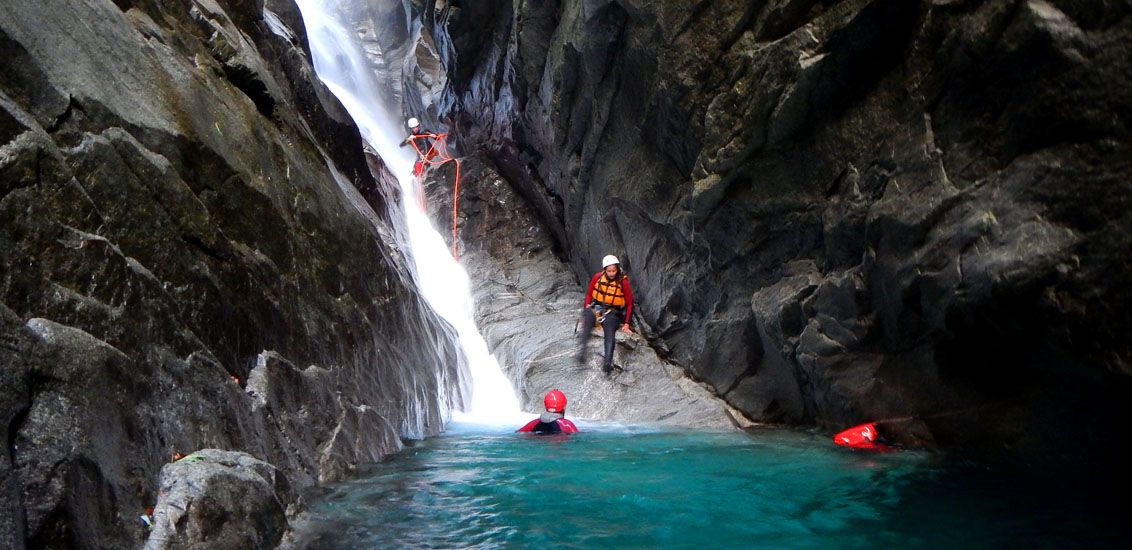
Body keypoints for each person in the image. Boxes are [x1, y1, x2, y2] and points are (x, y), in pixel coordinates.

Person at [576, 254, 633, 374]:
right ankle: (582, 353)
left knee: (609, 329)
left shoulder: (623, 282)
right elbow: (589, 294)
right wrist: (586, 308)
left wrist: (626, 324)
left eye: (614, 270)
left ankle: (607, 362)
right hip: (597, 307)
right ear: (604, 270)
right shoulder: (597, 277)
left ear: (617, 269)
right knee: (588, 319)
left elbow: (629, 304)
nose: (612, 273)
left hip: (613, 311)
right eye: (609, 271)